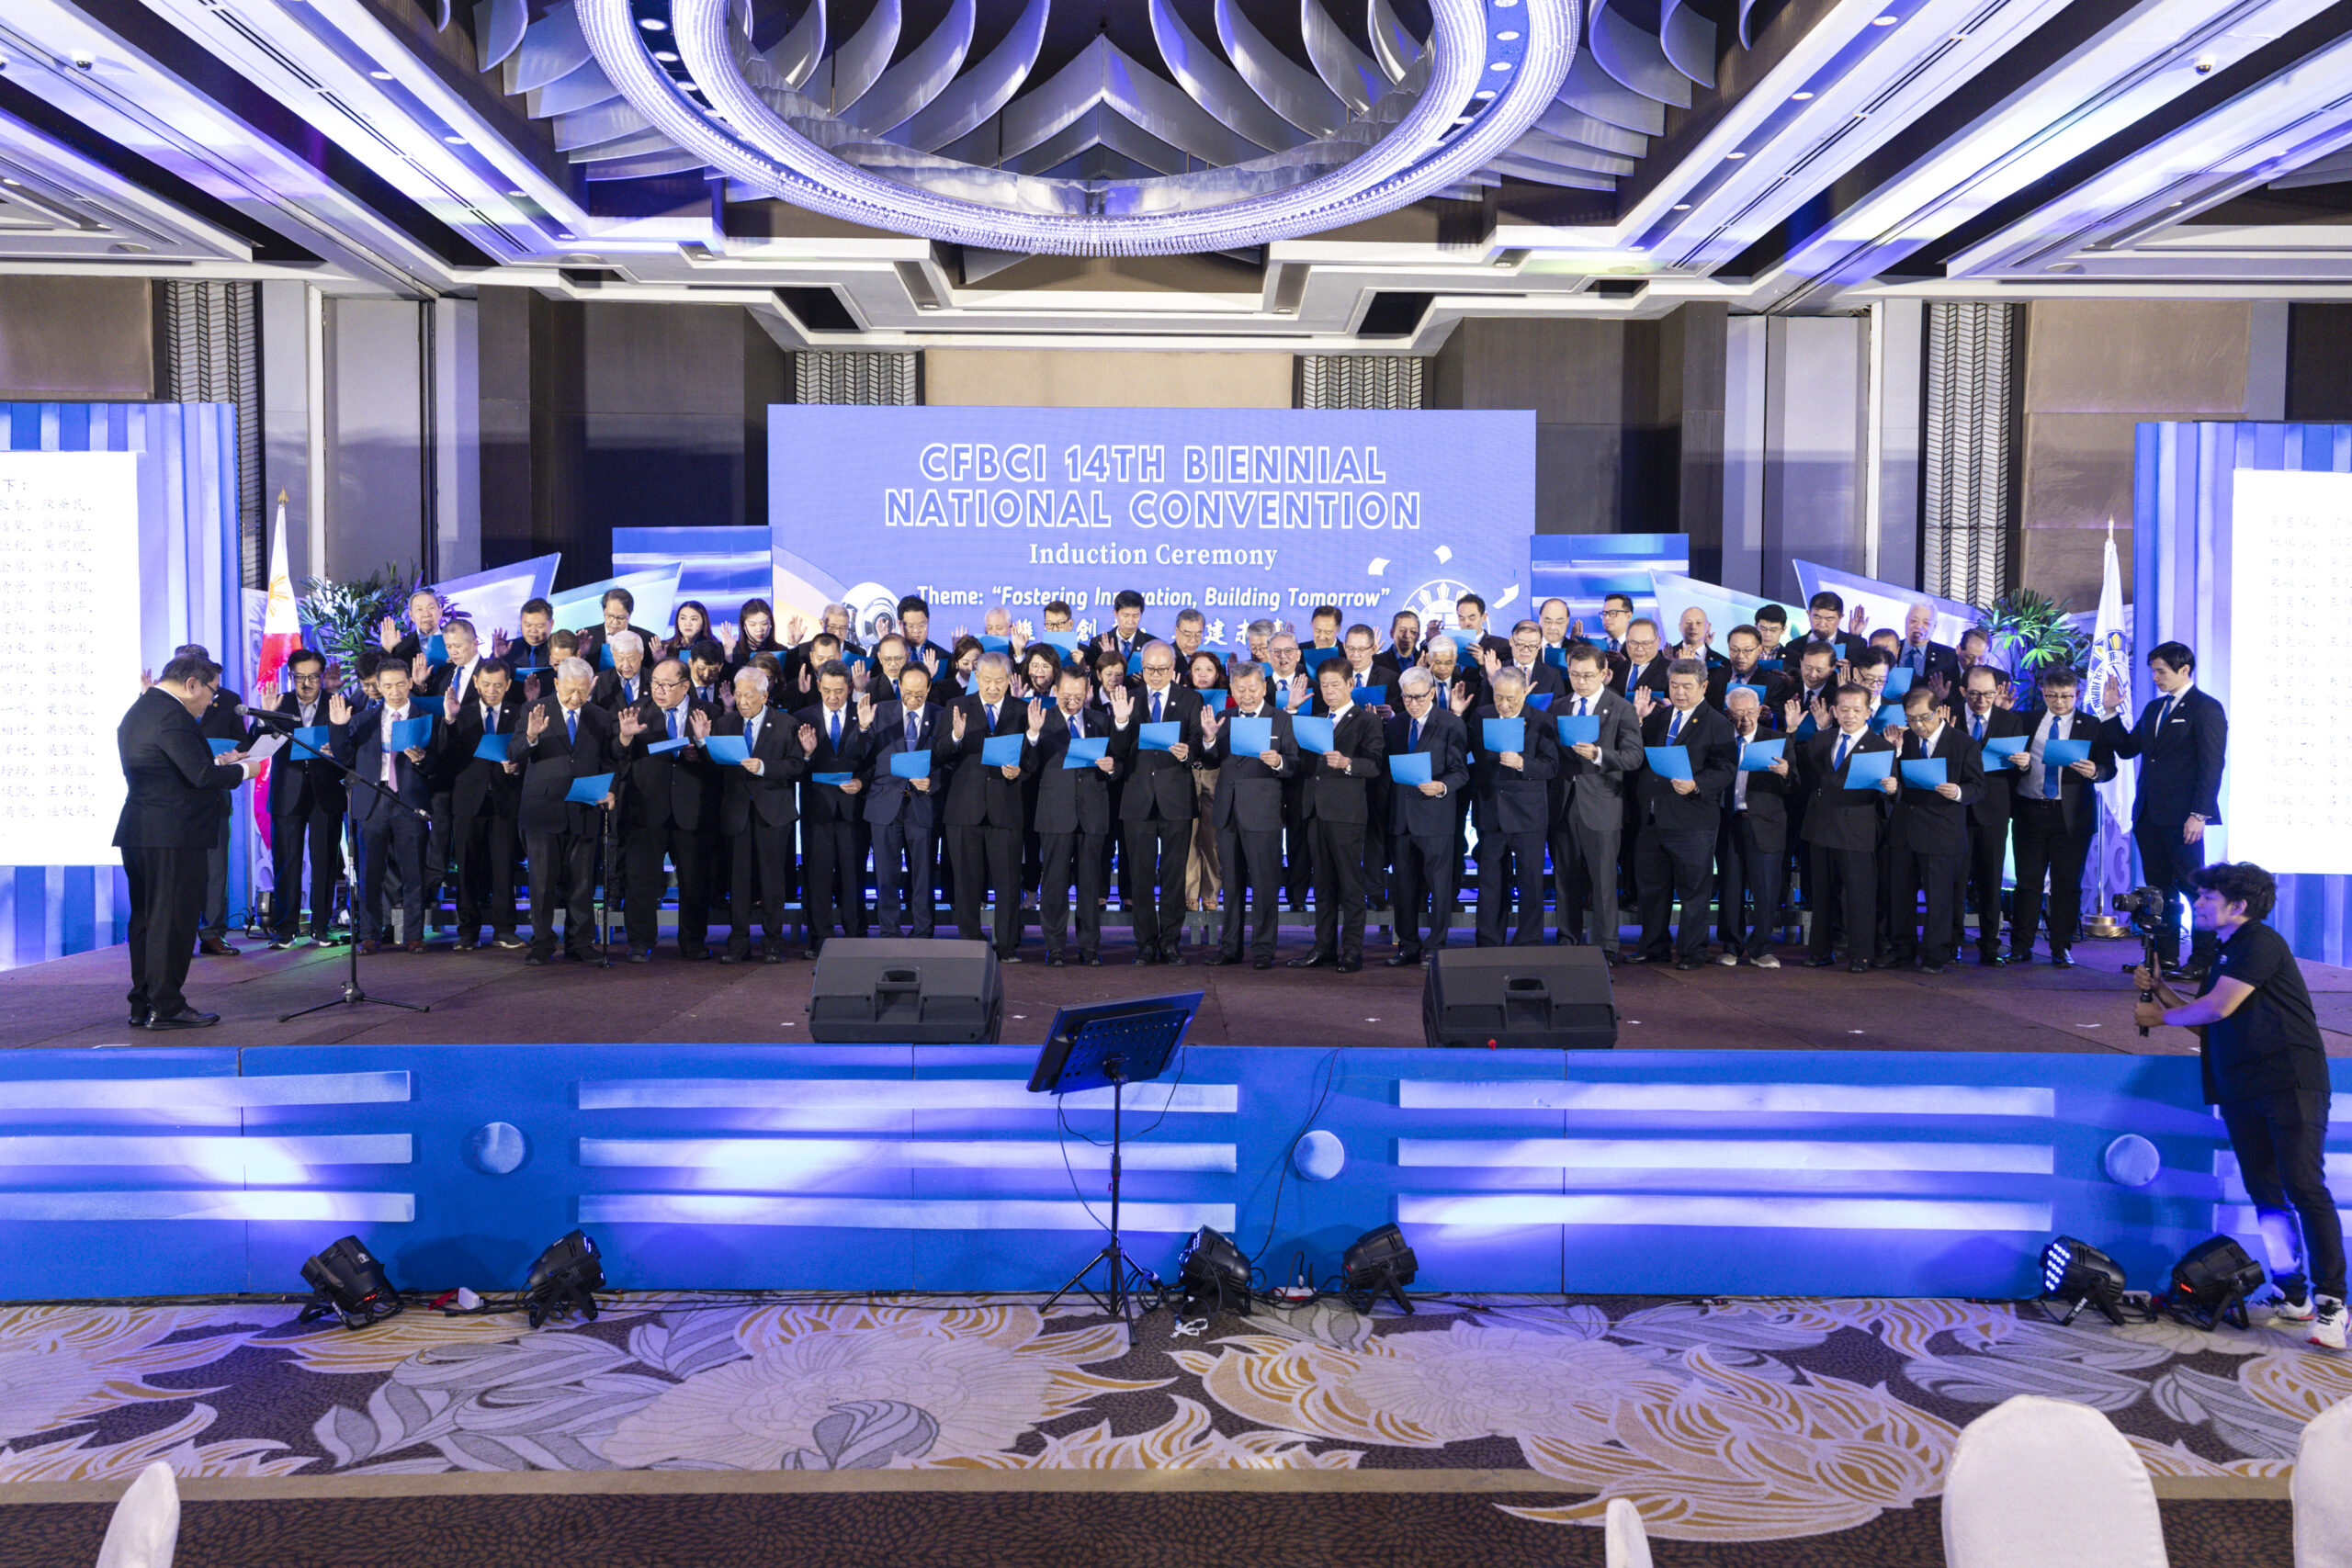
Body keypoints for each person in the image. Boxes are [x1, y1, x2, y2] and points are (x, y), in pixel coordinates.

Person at [2134, 863, 2343, 1349]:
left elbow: (2217, 1007)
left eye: (2208, 897)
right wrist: (2161, 990)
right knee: (2266, 1195)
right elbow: (2209, 1021)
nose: (2199, 904)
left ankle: (2333, 1304)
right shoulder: (2227, 950)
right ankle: (2293, 1296)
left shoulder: (2260, 943)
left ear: (2239, 905)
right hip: (2242, 1086)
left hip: (2288, 1081)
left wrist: (2158, 1016)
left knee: (2305, 1188)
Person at [116, 653, 260, 1029]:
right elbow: (200, 776)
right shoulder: (171, 715)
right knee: (172, 920)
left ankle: (143, 1002)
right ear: (192, 684)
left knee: (148, 919)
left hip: (144, 830)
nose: (212, 702)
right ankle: (166, 1006)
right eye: (212, 692)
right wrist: (246, 770)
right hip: (173, 832)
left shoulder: (145, 708)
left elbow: (175, 768)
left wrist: (220, 764)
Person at [2100, 640, 2227, 980]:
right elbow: (2127, 749)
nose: (2155, 678)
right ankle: (2164, 959)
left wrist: (2199, 814)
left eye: (2161, 671)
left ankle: (2203, 960)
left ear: (2184, 669)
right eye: (2154, 672)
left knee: (2195, 889)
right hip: (2148, 814)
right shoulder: (2155, 708)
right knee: (2157, 892)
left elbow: (2212, 765)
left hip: (2184, 817)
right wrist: (2111, 712)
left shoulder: (2205, 707)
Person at [1628, 659, 1737, 968]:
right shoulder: (1659, 717)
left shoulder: (1717, 723)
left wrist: (1696, 785)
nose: (1680, 692)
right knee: (1652, 890)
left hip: (1692, 820)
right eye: (1674, 685)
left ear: (1703, 686)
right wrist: (1638, 722)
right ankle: (1653, 946)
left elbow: (1726, 768)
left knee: (1693, 892)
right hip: (1653, 819)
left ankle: (1692, 952)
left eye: (1687, 686)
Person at [2007, 668, 2115, 967]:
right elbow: (2005, 759)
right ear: (2043, 693)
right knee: (2027, 883)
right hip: (2030, 810)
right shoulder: (2025, 721)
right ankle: (2020, 945)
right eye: (2052, 696)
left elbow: (2109, 767)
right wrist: (2018, 763)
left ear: (2077, 694)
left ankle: (2061, 946)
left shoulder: (2091, 725)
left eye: (2066, 696)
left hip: (2071, 816)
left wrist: (2095, 771)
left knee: (2066, 884)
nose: (2059, 702)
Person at [517, 658, 621, 964]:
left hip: (584, 808)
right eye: (570, 691)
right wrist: (531, 736)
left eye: (583, 691)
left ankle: (580, 942)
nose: (576, 698)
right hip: (542, 810)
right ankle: (542, 943)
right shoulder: (533, 710)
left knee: (582, 883)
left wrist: (609, 789)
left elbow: (609, 760)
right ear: (556, 684)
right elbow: (514, 752)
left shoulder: (600, 716)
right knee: (542, 884)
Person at [616, 658, 718, 962]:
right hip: (646, 807)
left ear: (685, 686)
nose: (658, 691)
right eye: (655, 684)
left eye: (666, 685)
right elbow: (616, 758)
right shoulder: (637, 710)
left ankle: (693, 941)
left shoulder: (708, 712)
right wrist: (625, 738)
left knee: (695, 880)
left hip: (692, 808)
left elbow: (720, 764)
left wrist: (702, 749)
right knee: (641, 879)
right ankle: (640, 941)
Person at [1110, 640, 1204, 964]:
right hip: (1137, 797)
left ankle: (1171, 941)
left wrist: (1188, 752)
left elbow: (1197, 740)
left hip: (1175, 796)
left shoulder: (1190, 698)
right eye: (1149, 668)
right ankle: (1146, 943)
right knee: (1140, 875)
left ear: (1173, 668)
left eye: (1162, 669)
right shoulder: (1128, 697)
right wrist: (1121, 722)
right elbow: (1117, 750)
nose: (1155, 674)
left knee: (1174, 873)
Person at [334, 657, 437, 953]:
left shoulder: (426, 717)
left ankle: (414, 936)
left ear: (410, 683)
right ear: (378, 686)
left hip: (409, 801)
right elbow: (343, 759)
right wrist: (338, 727)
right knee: (369, 873)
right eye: (388, 686)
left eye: (401, 684)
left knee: (414, 872)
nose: (395, 691)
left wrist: (423, 760)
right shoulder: (363, 720)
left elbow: (440, 765)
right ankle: (369, 934)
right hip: (372, 799)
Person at [1288, 660, 1385, 972]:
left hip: (1346, 813)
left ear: (1350, 685)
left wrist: (1347, 763)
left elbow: (1375, 765)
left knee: (1351, 884)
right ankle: (1323, 947)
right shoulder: (1315, 720)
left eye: (1335, 685)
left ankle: (1352, 951)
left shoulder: (1367, 721)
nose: (1329, 691)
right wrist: (1291, 712)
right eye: (1324, 685)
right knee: (1323, 885)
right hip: (1315, 811)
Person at [1201, 660, 1295, 969]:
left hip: (1263, 813)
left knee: (1265, 886)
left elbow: (1295, 763)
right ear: (1231, 689)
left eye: (1252, 688)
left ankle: (1264, 950)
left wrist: (1279, 761)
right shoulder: (1225, 718)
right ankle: (1230, 948)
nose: (1247, 695)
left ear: (1264, 688)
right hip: (1227, 812)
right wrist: (1209, 739)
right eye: (1240, 689)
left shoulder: (1281, 719)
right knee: (1231, 885)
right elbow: (1212, 761)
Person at [703, 666, 800, 964]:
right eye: (738, 694)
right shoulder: (725, 723)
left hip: (773, 812)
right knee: (739, 881)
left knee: (772, 881)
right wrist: (703, 743)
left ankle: (772, 943)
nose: (742, 701)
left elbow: (796, 765)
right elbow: (713, 767)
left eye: (749, 695)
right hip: (736, 812)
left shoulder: (786, 724)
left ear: (765, 696)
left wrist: (764, 768)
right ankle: (738, 943)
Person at [1883, 686, 1984, 973]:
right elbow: (1891, 781)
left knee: (1939, 898)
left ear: (1939, 711)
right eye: (1911, 719)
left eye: (1924, 718)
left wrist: (1958, 792)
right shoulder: (1903, 740)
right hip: (1905, 828)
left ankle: (1936, 953)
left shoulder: (1963, 744)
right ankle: (1902, 949)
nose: (1918, 725)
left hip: (1942, 830)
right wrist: (1895, 751)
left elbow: (1979, 787)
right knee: (1900, 895)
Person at [1798, 684, 1898, 972]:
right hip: (1820, 827)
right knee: (1821, 895)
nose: (1850, 715)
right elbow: (1805, 779)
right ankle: (1820, 951)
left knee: (1859, 895)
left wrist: (1893, 789)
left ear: (1868, 712)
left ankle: (1861, 954)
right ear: (1834, 711)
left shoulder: (1881, 746)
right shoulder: (1821, 739)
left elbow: (1891, 792)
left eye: (1856, 710)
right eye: (1844, 709)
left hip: (1857, 830)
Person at [1550, 645, 1643, 952]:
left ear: (1604, 673)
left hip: (1602, 805)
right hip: (1564, 803)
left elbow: (1634, 757)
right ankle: (1567, 940)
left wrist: (1599, 754)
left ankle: (1606, 945)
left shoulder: (1620, 707)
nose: (1581, 681)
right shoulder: (1558, 706)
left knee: (1603, 881)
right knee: (1565, 877)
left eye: (1588, 675)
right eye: (1574, 674)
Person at [941, 652, 1027, 960]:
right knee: (966, 882)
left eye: (999, 681)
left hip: (1006, 807)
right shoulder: (957, 707)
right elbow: (939, 754)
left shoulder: (1023, 710)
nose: (993, 687)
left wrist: (1020, 770)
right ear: (976, 678)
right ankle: (971, 944)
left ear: (1009, 679)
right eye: (987, 680)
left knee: (1008, 882)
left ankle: (1006, 944)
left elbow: (1034, 758)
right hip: (965, 808)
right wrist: (956, 736)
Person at [1031, 666, 1117, 966]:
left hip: (1092, 812)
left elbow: (1117, 764)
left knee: (1090, 884)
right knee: (1054, 883)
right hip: (1056, 812)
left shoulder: (1101, 721)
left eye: (1078, 696)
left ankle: (1089, 947)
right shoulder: (1042, 720)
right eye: (1066, 695)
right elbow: (1029, 765)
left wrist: (1111, 767)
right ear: (1055, 691)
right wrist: (1032, 735)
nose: (1072, 701)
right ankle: (1055, 947)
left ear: (1088, 691)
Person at [1384, 669, 1470, 965]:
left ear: (1432, 693)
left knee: (1439, 886)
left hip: (1435, 817)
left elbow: (1461, 772)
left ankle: (1436, 945)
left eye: (1419, 697)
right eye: (1407, 697)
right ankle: (1407, 945)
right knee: (1403, 887)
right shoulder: (1396, 724)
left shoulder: (1450, 723)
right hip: (1401, 819)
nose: (1413, 703)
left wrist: (1442, 786)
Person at [440, 654, 526, 951]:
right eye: (486, 684)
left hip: (504, 800)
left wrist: (517, 767)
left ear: (508, 685)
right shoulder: (460, 713)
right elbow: (446, 757)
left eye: (498, 685)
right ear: (476, 682)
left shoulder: (519, 713)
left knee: (503, 869)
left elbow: (528, 754)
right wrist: (449, 721)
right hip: (468, 802)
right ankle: (468, 931)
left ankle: (505, 929)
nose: (491, 690)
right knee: (467, 869)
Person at [263, 649, 346, 951]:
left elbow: (350, 745)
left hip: (326, 791)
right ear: (290, 677)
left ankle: (321, 928)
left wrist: (337, 749)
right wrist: (265, 716)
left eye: (312, 677)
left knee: (324, 861)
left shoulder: (337, 702)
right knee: (286, 862)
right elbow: (257, 745)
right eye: (300, 677)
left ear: (322, 677)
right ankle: (285, 929)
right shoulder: (279, 703)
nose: (307, 683)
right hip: (287, 791)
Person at [853, 657, 941, 942]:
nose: (913, 699)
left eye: (919, 694)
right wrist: (863, 728)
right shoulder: (879, 712)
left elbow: (948, 762)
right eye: (908, 692)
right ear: (899, 685)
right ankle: (889, 931)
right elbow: (859, 755)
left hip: (922, 804)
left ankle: (923, 931)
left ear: (929, 688)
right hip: (884, 804)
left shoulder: (940, 715)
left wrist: (933, 781)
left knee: (923, 875)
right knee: (885, 875)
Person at [1470, 668, 1559, 947]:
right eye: (1499, 697)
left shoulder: (1541, 720)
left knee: (1530, 881)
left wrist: (1522, 763)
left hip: (1528, 814)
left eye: (1511, 698)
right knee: (1490, 881)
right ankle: (1488, 942)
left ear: (1525, 692)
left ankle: (1529, 943)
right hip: (1490, 811)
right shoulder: (1481, 716)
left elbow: (1551, 766)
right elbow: (1471, 757)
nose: (1504, 704)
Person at [1956, 666, 2033, 964]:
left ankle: (1989, 945)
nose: (1981, 701)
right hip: (1956, 809)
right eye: (1974, 694)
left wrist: (2024, 764)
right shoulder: (1948, 716)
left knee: (1991, 882)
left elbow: (2017, 771)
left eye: (1988, 694)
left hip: (1994, 810)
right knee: (1955, 882)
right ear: (1963, 691)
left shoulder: (2010, 720)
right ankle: (1951, 942)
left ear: (1997, 691)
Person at [1715, 685, 1792, 968]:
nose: (1745, 719)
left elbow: (1795, 785)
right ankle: (1731, 946)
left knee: (1766, 889)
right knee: (1730, 886)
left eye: (1750, 712)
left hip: (1765, 823)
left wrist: (1785, 773)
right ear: (1728, 714)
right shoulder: (1720, 740)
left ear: (1760, 711)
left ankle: (1762, 948)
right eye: (1738, 714)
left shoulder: (1777, 740)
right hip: (1728, 821)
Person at [796, 660, 868, 958]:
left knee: (854, 877)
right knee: (818, 877)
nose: (833, 697)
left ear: (849, 688)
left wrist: (862, 781)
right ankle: (819, 939)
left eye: (839, 691)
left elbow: (875, 759)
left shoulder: (864, 713)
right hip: (818, 810)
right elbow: (794, 768)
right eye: (827, 690)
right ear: (818, 686)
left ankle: (855, 937)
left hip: (853, 810)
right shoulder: (802, 718)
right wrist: (808, 754)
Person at [574, 588, 649, 671]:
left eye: (620, 618)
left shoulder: (646, 640)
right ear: (603, 610)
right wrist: (581, 655)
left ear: (630, 613)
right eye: (609, 616)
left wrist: (657, 661)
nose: (614, 622)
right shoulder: (585, 637)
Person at [1893, 602, 1962, 692]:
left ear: (1934, 626)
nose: (1919, 626)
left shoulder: (1949, 656)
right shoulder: (1890, 648)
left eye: (1926, 623)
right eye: (1914, 621)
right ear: (1906, 621)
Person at [1796, 591, 1868, 664]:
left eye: (1829, 619)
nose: (1822, 624)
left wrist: (1850, 669)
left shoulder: (1856, 645)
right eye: (1817, 617)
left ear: (1840, 617)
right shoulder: (1794, 646)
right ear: (1808, 614)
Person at [1611, 618, 1671, 700]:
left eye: (1646, 643)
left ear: (1658, 641)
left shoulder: (1671, 671)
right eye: (1634, 643)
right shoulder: (1615, 669)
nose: (1639, 649)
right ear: (1627, 641)